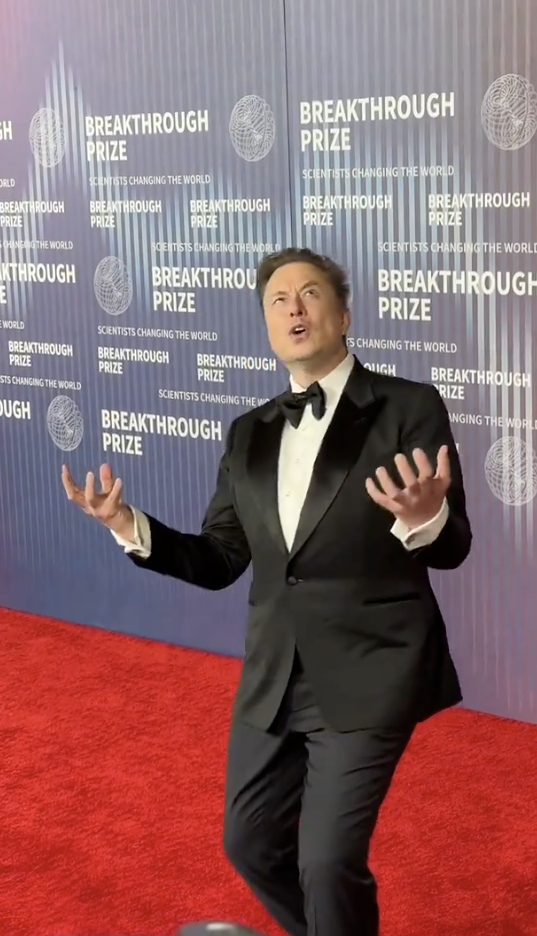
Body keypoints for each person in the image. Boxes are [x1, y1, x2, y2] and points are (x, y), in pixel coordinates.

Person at [62, 247, 472, 936]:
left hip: (371, 665)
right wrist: (128, 525)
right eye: (277, 299)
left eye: (309, 293)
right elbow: (221, 558)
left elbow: (453, 545)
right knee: (247, 843)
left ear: (341, 315)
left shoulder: (406, 406)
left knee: (326, 860)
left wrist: (421, 516)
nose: (292, 308)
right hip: (274, 674)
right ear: (266, 323)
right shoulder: (248, 432)